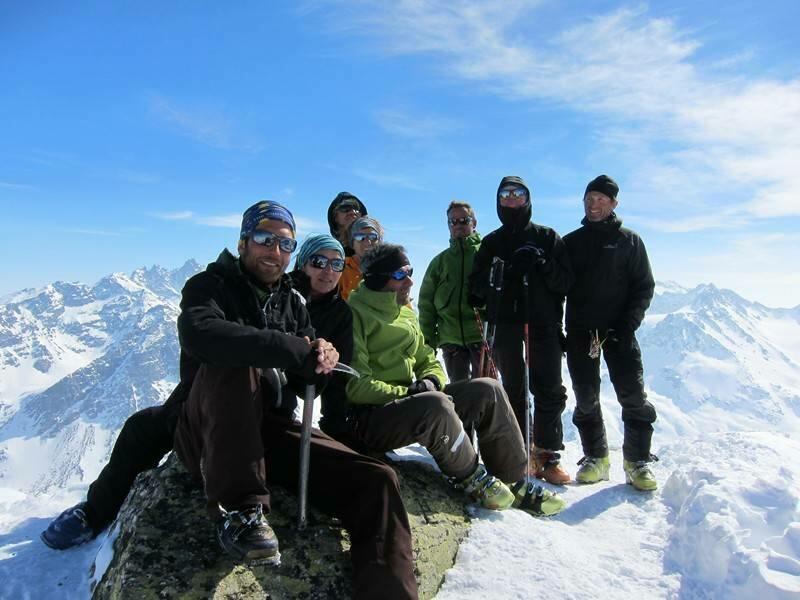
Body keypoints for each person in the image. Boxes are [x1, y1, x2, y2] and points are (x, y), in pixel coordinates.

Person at [45, 201, 417, 599]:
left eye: (285, 243)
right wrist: (292, 348)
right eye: (264, 238)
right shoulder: (210, 287)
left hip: (268, 430)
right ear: (243, 242)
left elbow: (305, 381)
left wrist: (320, 359)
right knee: (231, 362)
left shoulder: (292, 303)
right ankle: (240, 510)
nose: (275, 250)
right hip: (209, 429)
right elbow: (202, 335)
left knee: (377, 481)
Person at [347, 243, 565, 517]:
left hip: (409, 405)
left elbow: (427, 358)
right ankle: (470, 475)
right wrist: (410, 392)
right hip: (371, 419)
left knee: (488, 389)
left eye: (409, 271)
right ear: (379, 279)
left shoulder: (404, 312)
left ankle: (513, 479)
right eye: (401, 275)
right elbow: (356, 386)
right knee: (434, 404)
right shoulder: (354, 314)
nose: (410, 281)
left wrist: (431, 379)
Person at [468, 176, 573, 485]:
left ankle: (547, 455)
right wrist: (504, 271)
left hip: (544, 323)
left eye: (518, 193)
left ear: (528, 199)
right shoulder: (492, 243)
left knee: (549, 388)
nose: (512, 198)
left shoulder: (547, 237)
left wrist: (542, 262)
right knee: (513, 388)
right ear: (498, 201)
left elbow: (565, 283)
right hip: (506, 323)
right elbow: (475, 289)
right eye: (506, 194)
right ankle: (519, 453)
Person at [562, 175, 657, 491]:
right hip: (580, 331)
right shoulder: (571, 242)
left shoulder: (630, 241)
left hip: (620, 331)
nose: (594, 204)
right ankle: (596, 459)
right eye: (589, 198)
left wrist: (627, 325)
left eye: (601, 199)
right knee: (585, 396)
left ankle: (637, 462)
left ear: (614, 203)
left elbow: (643, 286)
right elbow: (556, 287)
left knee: (632, 395)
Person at [289, 233, 356, 445]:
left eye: (337, 264)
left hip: (307, 392)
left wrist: (335, 428)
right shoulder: (282, 296)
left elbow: (339, 377)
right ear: (303, 263)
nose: (328, 271)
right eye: (319, 262)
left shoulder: (341, 313)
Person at [419, 201, 484, 382]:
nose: (458, 225)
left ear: (474, 223)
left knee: (485, 390)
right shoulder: (439, 263)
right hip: (450, 341)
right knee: (458, 391)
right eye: (453, 221)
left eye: (464, 220)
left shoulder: (485, 256)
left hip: (482, 338)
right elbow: (426, 306)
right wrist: (428, 344)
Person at [339, 216, 384, 300]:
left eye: (373, 237)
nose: (368, 242)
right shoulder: (340, 268)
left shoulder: (389, 269)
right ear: (352, 243)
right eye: (360, 237)